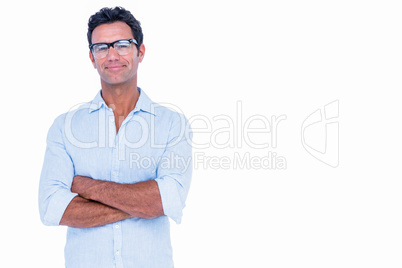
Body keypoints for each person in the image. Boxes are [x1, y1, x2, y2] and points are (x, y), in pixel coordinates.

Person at [38, 6, 192, 268]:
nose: (112, 55)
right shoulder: (65, 127)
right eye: (101, 47)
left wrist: (86, 187)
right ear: (91, 57)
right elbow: (52, 207)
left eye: (122, 44)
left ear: (140, 51)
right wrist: (142, 205)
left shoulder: (171, 123)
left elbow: (170, 199)